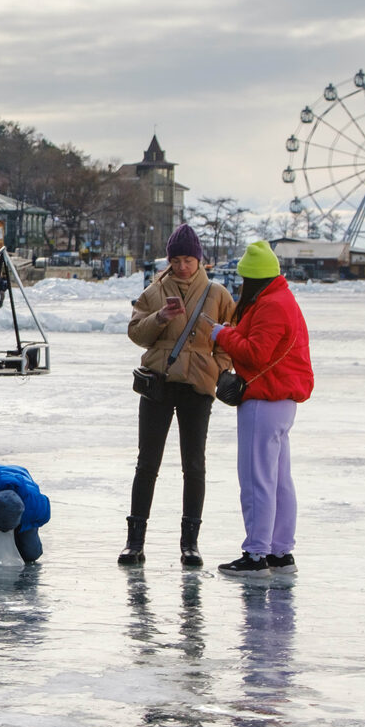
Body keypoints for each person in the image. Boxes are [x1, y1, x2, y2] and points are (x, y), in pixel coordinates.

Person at [121, 224, 236, 567]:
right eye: (177, 259)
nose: (183, 266)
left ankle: (190, 543)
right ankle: (134, 541)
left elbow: (231, 336)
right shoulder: (154, 291)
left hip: (198, 386)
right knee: (147, 463)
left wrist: (218, 366)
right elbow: (136, 334)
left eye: (188, 259)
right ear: (169, 260)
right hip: (159, 381)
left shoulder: (217, 294)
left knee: (194, 465)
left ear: (199, 260)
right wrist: (160, 317)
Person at [205, 240, 314, 578]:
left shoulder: (270, 305)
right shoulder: (284, 299)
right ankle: (281, 552)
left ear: (252, 278)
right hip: (283, 402)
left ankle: (255, 554)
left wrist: (221, 334)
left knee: (257, 480)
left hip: (264, 401)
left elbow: (255, 353)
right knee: (280, 479)